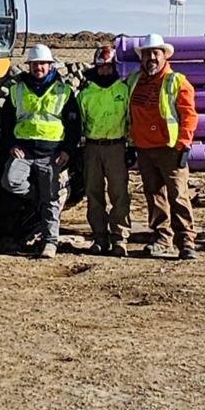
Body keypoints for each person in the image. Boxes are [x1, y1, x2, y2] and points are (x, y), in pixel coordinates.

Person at [0, 44, 80, 259]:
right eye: (35, 64)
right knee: (11, 181)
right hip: (24, 152)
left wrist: (67, 151)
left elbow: (74, 126)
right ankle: (38, 198)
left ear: (50, 65)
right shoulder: (18, 90)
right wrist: (11, 145)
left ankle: (50, 242)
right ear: (30, 66)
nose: (39, 68)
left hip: (52, 154)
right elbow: (6, 121)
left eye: (43, 64)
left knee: (52, 200)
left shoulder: (63, 91)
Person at [128, 33, 199, 260]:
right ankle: (161, 238)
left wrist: (183, 143)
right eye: (147, 53)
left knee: (178, 196)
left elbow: (189, 114)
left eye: (155, 53)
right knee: (154, 196)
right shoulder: (133, 80)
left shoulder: (176, 81)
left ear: (164, 56)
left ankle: (186, 241)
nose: (151, 58)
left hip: (170, 149)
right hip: (144, 148)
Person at [78, 43, 133, 256]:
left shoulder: (123, 90)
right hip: (93, 147)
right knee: (94, 194)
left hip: (116, 147)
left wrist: (130, 147)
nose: (104, 71)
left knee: (119, 194)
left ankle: (120, 238)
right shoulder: (85, 93)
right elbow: (80, 123)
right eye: (101, 67)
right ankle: (99, 237)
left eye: (108, 66)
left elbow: (130, 120)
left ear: (114, 67)